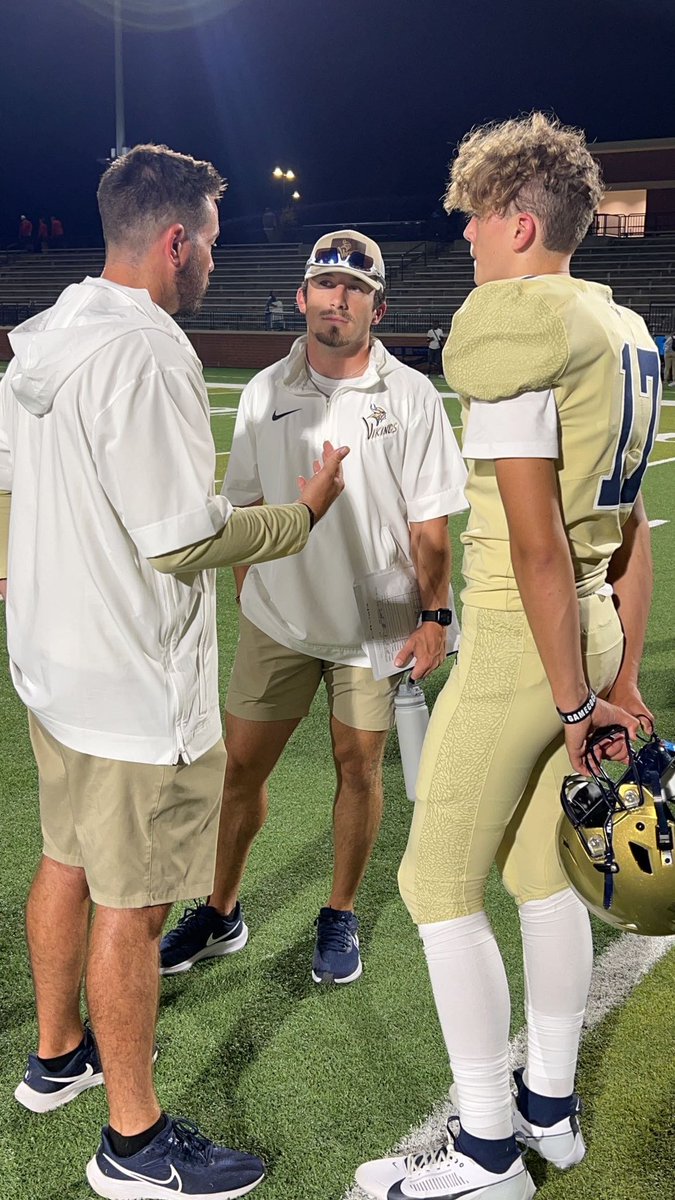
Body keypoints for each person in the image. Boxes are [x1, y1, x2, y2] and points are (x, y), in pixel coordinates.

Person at [0, 143, 347, 1200]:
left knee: (66, 857)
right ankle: (134, 1144)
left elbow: (12, 489)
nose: (212, 261)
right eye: (210, 241)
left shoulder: (44, 332)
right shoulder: (148, 352)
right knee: (135, 906)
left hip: (54, 667)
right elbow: (180, 540)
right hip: (128, 686)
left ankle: (57, 1059)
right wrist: (304, 515)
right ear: (175, 241)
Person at [357, 113, 659, 1200]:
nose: (469, 245)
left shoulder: (517, 322)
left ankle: (486, 1152)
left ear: (520, 222)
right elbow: (634, 530)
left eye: (479, 223)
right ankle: (552, 1111)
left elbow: (533, 547)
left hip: (524, 640)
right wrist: (617, 678)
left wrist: (579, 707)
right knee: (540, 875)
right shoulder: (620, 324)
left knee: (436, 883)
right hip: (593, 622)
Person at [159, 228, 467, 985]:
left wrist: (431, 617)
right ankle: (221, 909)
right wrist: (256, 600)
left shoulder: (411, 394)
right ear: (301, 297)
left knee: (357, 768)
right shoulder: (265, 390)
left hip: (380, 613)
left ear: (377, 306)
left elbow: (430, 527)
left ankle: (339, 910)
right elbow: (246, 507)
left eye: (355, 287)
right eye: (325, 283)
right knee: (240, 770)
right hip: (279, 617)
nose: (338, 297)